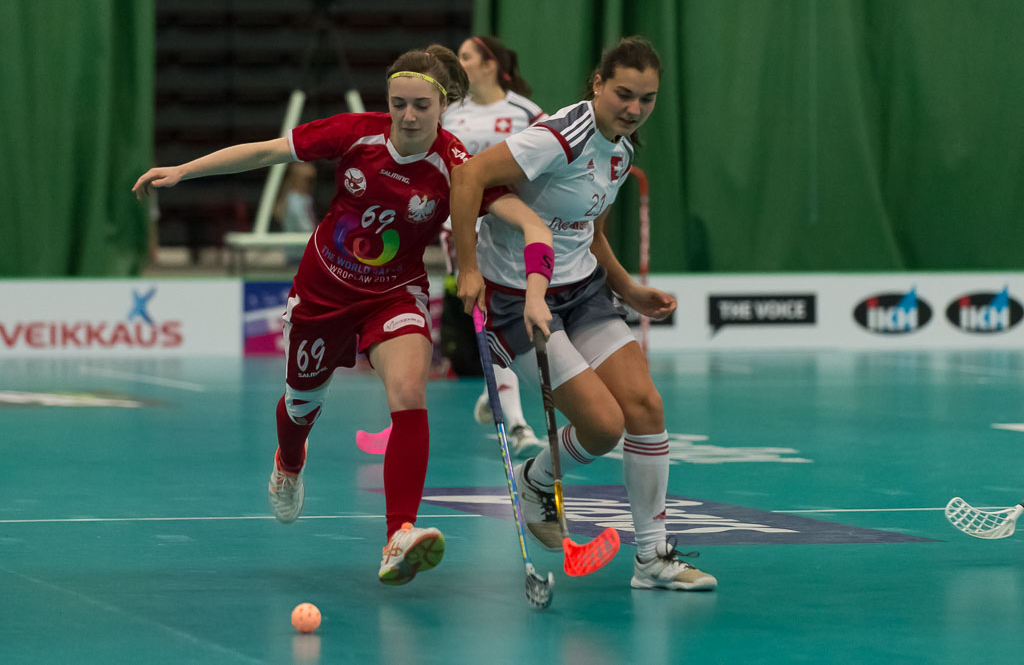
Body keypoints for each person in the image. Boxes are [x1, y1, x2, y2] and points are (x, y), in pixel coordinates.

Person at [133, 44, 510, 587]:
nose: (407, 116)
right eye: (398, 103)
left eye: (420, 106)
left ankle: (399, 535)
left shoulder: (455, 163)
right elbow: (267, 152)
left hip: (395, 292)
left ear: (443, 105)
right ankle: (289, 462)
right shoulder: (357, 133)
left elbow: (502, 202)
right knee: (300, 405)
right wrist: (183, 171)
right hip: (323, 292)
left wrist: (544, 229)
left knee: (409, 391)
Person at [450, 36, 718, 591]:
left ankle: (652, 558)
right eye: (624, 94)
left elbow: (587, 228)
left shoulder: (621, 150)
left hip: (583, 290)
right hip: (515, 297)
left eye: (647, 99)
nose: (634, 108)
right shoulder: (558, 137)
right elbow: (468, 176)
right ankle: (536, 480)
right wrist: (469, 268)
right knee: (601, 426)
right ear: (598, 84)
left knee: (645, 405)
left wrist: (628, 289)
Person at [441, 35, 545, 455]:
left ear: (489, 64)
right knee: (488, 309)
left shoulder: (527, 112)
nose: (459, 62)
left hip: (510, 225)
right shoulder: (448, 113)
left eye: (466, 56)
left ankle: (494, 391)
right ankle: (517, 424)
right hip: (462, 226)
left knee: (509, 313)